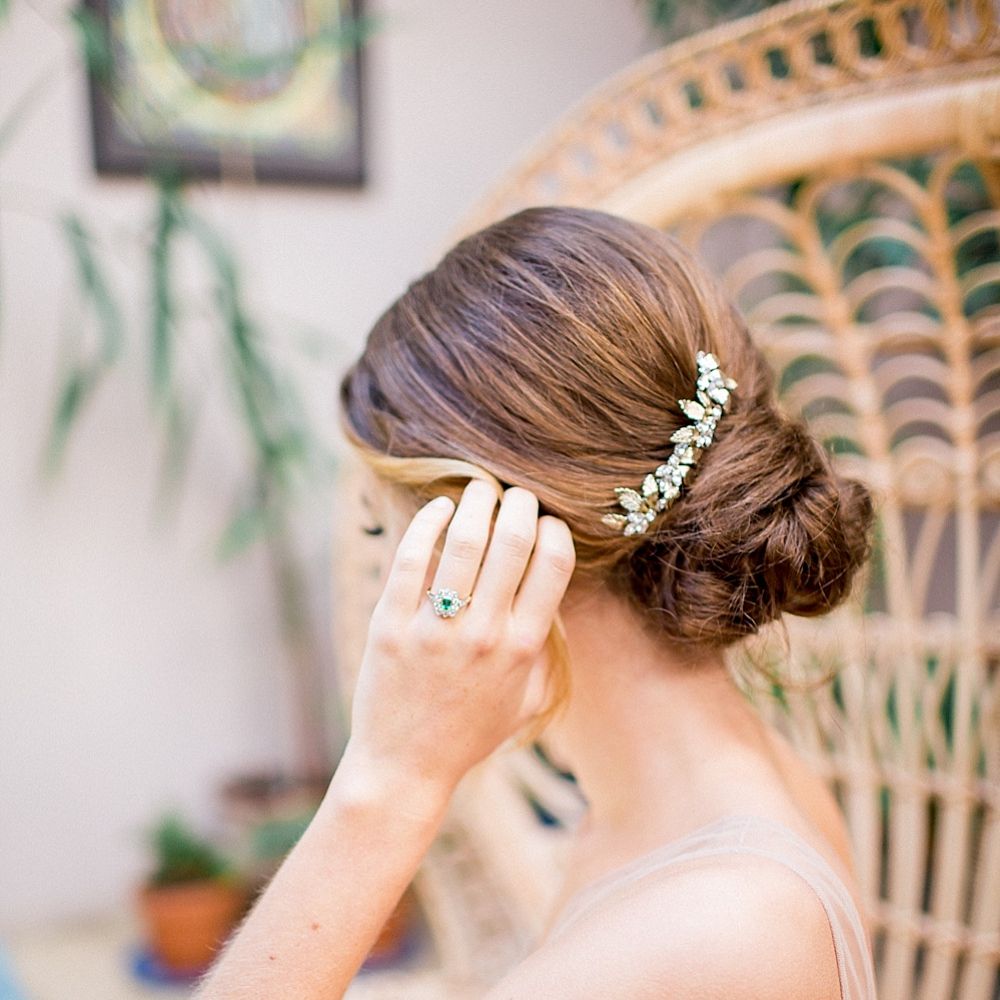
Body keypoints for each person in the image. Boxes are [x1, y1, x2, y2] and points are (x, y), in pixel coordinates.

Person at [196, 206, 878, 999]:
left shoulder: (719, 925)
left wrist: (390, 780)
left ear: (487, 540)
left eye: (384, 522)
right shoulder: (702, 814)